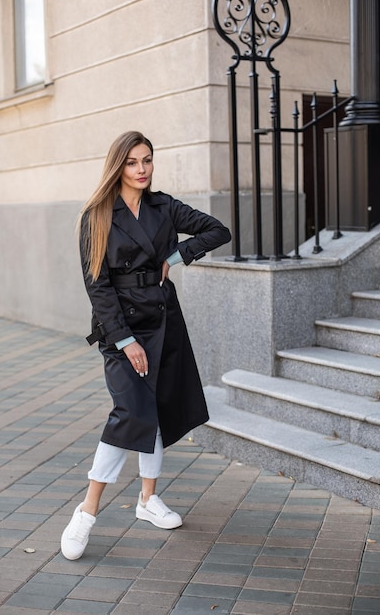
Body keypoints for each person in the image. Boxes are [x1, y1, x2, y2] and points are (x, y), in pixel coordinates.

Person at [61, 130, 231, 560]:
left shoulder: (163, 206)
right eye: (133, 162)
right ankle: (86, 511)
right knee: (131, 411)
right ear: (118, 165)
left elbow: (217, 230)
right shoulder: (97, 215)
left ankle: (147, 500)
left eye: (147, 161)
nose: (141, 170)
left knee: (155, 409)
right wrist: (124, 340)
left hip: (164, 321)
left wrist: (175, 258)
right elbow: (96, 285)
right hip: (120, 325)